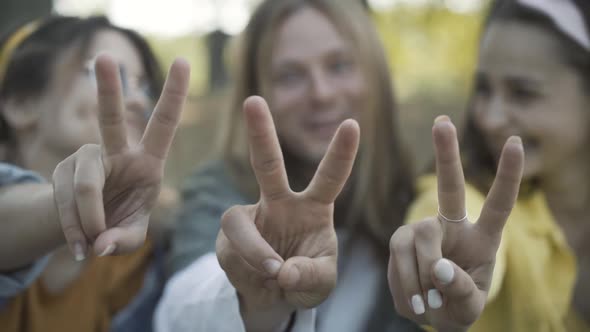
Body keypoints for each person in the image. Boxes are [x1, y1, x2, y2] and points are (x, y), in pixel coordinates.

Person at [156, 0, 422, 331]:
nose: (321, 93)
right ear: (257, 90)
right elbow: (184, 301)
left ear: (375, 76)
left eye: (339, 66)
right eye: (290, 75)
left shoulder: (412, 200)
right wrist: (248, 297)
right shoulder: (217, 188)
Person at [388, 0, 590, 331]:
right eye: (483, 89)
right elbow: (456, 221)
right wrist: (445, 265)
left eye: (523, 93)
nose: (490, 118)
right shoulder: (473, 196)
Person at [0, 16, 190, 331]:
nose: (139, 100)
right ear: (21, 103)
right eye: (108, 74)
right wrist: (74, 203)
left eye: (143, 85)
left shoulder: (153, 256)